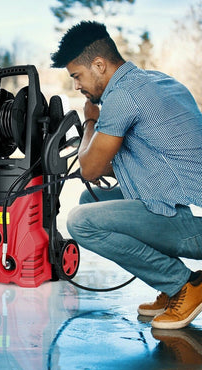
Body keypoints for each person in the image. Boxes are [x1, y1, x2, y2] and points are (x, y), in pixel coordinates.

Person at [51, 20, 202, 330]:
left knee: (81, 221)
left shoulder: (122, 97)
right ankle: (173, 287)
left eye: (77, 76)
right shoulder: (154, 81)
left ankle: (185, 285)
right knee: (88, 200)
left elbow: (90, 169)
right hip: (185, 206)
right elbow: (109, 166)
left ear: (99, 65)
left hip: (193, 222)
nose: (77, 86)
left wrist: (90, 122)